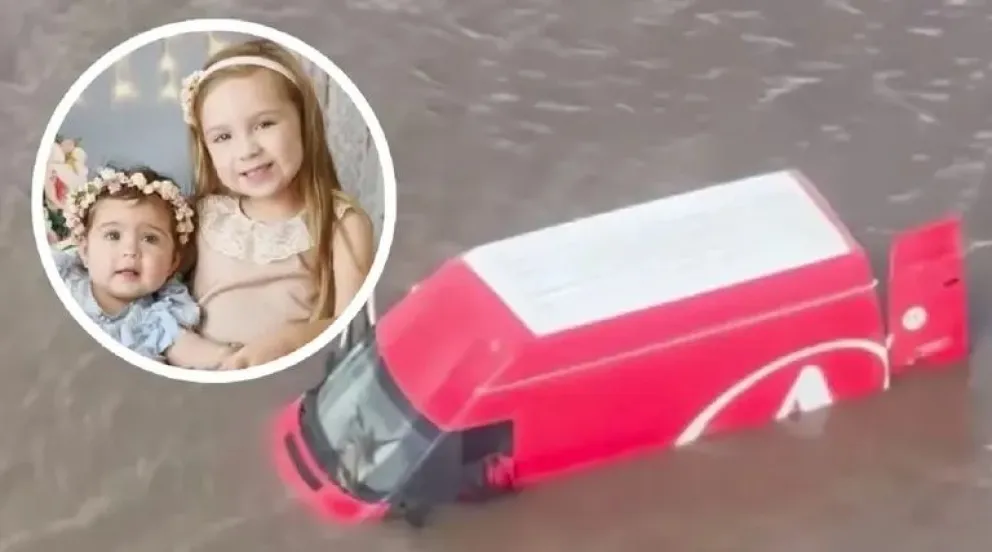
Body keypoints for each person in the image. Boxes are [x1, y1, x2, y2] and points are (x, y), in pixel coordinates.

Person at [180, 38, 375, 369]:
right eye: (223, 137)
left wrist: (287, 342)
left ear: (304, 122)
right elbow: (153, 304)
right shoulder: (202, 216)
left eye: (264, 124)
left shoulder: (341, 224)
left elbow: (354, 334)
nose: (247, 150)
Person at [53, 166, 242, 368]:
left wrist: (227, 357)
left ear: (172, 263)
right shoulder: (63, 280)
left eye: (150, 239)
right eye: (113, 235)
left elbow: (187, 349)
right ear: (84, 251)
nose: (130, 251)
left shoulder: (160, 314)